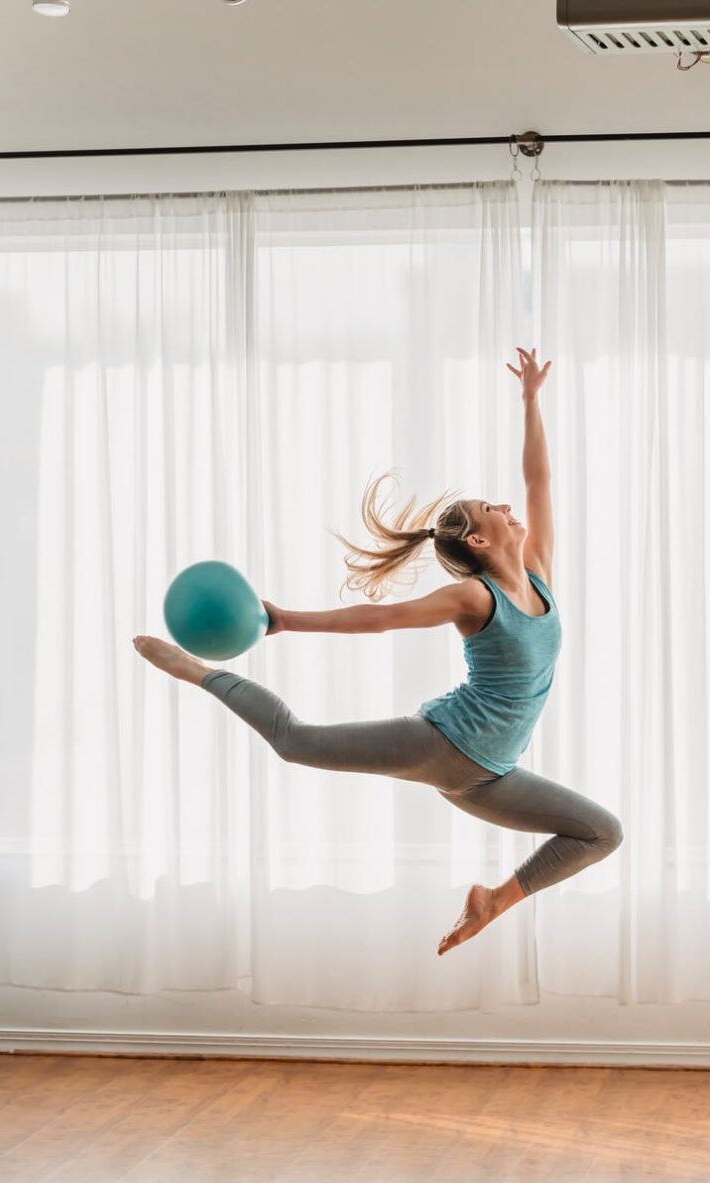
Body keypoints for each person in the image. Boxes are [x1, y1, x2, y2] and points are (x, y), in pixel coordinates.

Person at [133, 347, 623, 956]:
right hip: (445, 743)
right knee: (296, 742)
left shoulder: (539, 573)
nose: (505, 506)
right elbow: (381, 618)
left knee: (601, 833)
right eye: (489, 509)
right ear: (478, 538)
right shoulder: (474, 596)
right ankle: (198, 673)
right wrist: (287, 620)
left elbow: (538, 480)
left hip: (491, 775)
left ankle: (493, 901)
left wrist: (530, 400)